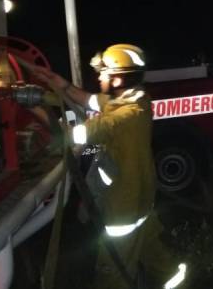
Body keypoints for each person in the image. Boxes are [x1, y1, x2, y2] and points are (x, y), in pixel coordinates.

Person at [33, 44, 186, 289]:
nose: (99, 77)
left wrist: (34, 106)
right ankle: (175, 282)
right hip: (142, 203)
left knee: (111, 276)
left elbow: (69, 136)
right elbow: (88, 99)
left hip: (122, 212)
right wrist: (57, 83)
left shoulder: (122, 119)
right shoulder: (136, 101)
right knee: (156, 256)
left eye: (103, 73)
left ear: (116, 80)